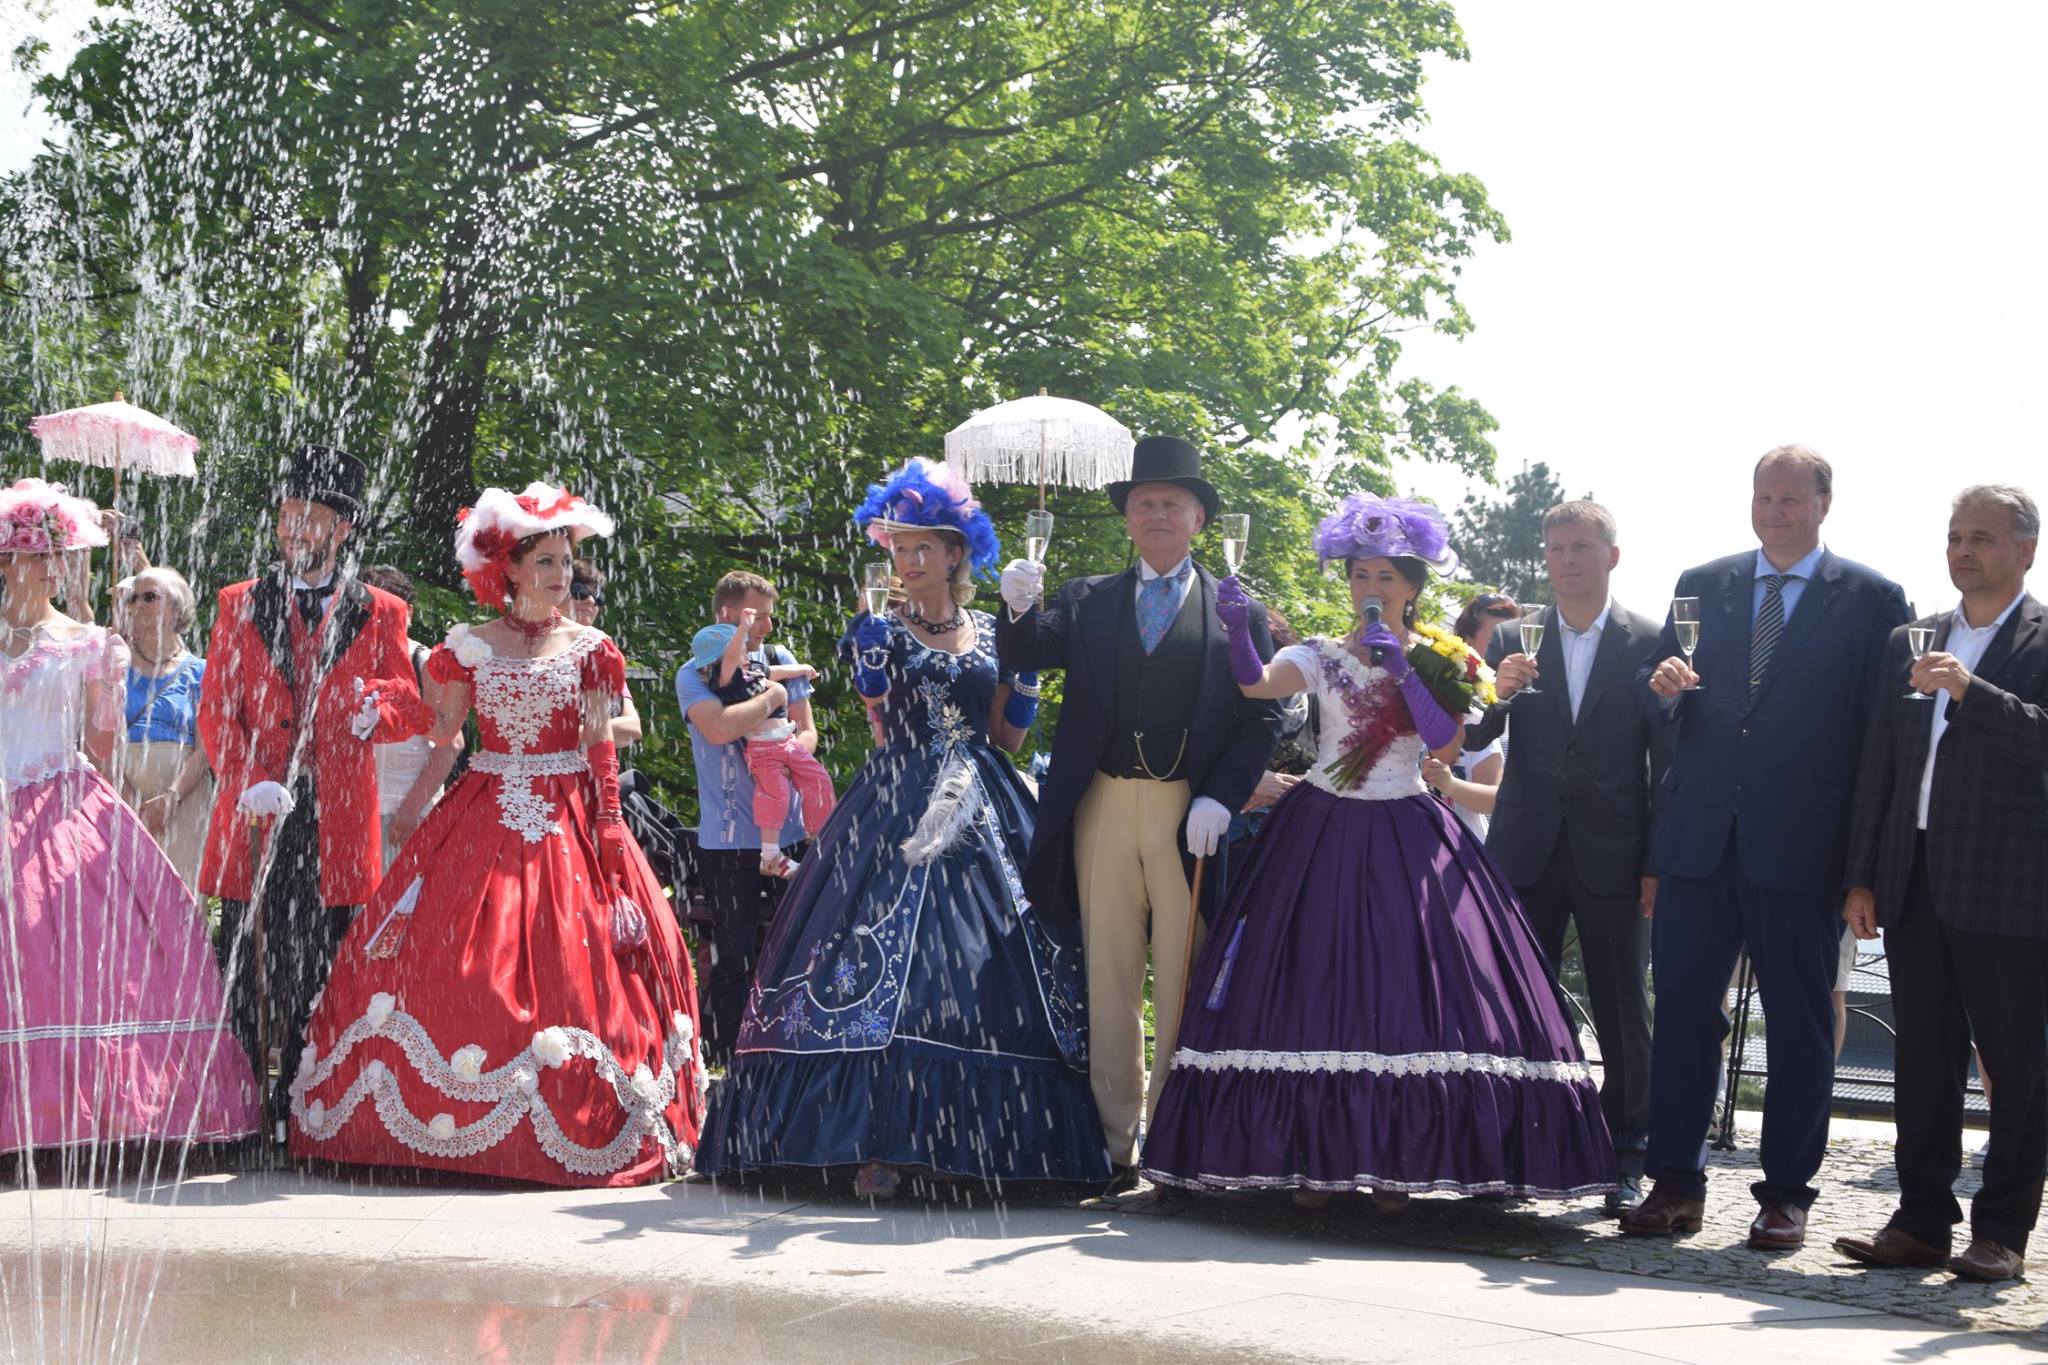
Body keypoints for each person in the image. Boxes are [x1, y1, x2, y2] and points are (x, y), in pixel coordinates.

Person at [1142, 494, 1615, 1205]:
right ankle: (1309, 1159)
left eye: (1387, 578)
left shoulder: (1443, 660)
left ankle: (1400, 1162)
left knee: (1404, 984)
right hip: (1321, 829)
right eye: (1361, 575)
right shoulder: (1324, 654)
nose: (1372, 588)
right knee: (1307, 980)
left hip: (1407, 828)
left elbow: (1447, 744)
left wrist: (1403, 669)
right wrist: (1238, 628)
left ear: (1414, 586)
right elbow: (1255, 682)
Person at [696, 459, 1108, 1193]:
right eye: (900, 547)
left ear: (958, 553)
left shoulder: (992, 630)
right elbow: (884, 731)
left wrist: (1026, 669)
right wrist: (872, 670)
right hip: (899, 798)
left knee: (981, 958)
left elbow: (1007, 740)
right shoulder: (879, 631)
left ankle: (984, 1145)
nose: (910, 562)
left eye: (925, 548)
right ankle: (869, 1139)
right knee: (878, 955)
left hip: (984, 801)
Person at [289, 483, 704, 1185]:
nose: (560, 574)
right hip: (482, 808)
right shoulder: (470, 647)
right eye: (545, 560)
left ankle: (584, 1120)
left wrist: (607, 824)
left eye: (565, 561)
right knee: (456, 957)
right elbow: (441, 729)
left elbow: (602, 744)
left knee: (579, 964)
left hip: (569, 812)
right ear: (508, 568)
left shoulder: (592, 648)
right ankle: (427, 1126)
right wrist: (379, 701)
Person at [1622, 446, 1909, 1249]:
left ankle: (1786, 1195)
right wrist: (1666, 684)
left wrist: (1863, 868)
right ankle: (1673, 1183)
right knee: (1680, 1015)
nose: (1774, 511)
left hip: (1804, 851)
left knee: (1798, 1026)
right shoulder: (1702, 581)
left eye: (1790, 499)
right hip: (1697, 844)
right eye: (1763, 497)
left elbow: (1881, 736)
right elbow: (1658, 687)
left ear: (1823, 504)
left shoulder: (1871, 596)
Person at [995, 436, 1283, 1186]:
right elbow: (1027, 653)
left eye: (1172, 504)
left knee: (1186, 978)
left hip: (1190, 812)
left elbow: (1264, 719)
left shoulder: (1236, 607)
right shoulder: (1088, 598)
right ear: (1128, 518)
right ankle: (1113, 1143)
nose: (1156, 514)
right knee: (1110, 975)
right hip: (1102, 804)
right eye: (1143, 503)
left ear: (1197, 518)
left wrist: (1221, 795)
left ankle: (1177, 1143)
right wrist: (1016, 603)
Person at [1, 478, 258, 1154]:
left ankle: (90, 1116)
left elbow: (102, 742)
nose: (34, 565)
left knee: (73, 946)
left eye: (42, 553)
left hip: (61, 804)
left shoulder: (90, 643)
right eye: (23, 553)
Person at [1833, 485, 2048, 1283]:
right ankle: (1921, 1220)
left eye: (1984, 537)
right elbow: (1878, 767)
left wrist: (1971, 691)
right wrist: (1861, 875)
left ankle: (2001, 1232)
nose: (1964, 550)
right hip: (1913, 879)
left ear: (2026, 549)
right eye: (1956, 536)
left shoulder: (2042, 637)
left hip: (2008, 886)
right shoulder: (1908, 640)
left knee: (2016, 1066)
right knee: (1921, 1060)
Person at [197, 445, 430, 1139]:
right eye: (287, 515)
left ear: (341, 528)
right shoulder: (238, 603)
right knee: (247, 962)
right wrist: (250, 782)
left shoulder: (381, 610)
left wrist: (377, 711)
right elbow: (216, 708)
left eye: (311, 517)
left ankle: (312, 1112)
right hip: (258, 812)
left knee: (324, 969)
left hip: (339, 821)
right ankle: (241, 1110)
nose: (294, 529)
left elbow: (410, 704)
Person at [1463, 503, 1667, 1216]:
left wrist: (1657, 859)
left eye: (1581, 546)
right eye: (1556, 548)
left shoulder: (1651, 638)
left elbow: (1666, 755)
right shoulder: (1516, 636)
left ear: (1612, 555)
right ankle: (1518, 1151)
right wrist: (1500, 689)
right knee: (1517, 1006)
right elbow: (1474, 729)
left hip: (1616, 848)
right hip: (1526, 846)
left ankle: (1626, 1156)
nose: (1567, 559)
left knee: (1622, 1010)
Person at [675, 570, 818, 1068]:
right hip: (728, 839)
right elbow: (718, 729)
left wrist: (781, 760)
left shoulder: (781, 661)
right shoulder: (695, 672)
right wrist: (774, 700)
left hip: (790, 832)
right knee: (733, 953)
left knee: (799, 945)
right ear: (727, 615)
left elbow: (808, 734)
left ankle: (793, 1051)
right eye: (758, 613)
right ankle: (735, 1057)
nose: (769, 624)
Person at [682, 617, 832, 877]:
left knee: (818, 778)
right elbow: (730, 659)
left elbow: (775, 673)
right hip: (763, 750)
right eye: (739, 650)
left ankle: (818, 831)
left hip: (786, 741)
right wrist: (742, 628)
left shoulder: (753, 669)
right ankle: (771, 856)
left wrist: (802, 669)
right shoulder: (725, 679)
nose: (745, 653)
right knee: (776, 795)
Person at [113, 565, 214, 889]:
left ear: (175, 608)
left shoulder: (201, 671)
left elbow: (207, 746)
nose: (136, 605)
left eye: (149, 597)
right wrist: (128, 800)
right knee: (124, 904)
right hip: (120, 797)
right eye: (133, 598)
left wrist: (171, 799)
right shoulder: (114, 667)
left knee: (181, 898)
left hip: (184, 802)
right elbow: (99, 742)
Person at [357, 565, 464, 869]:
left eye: (388, 609)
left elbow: (450, 744)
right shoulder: (347, 660)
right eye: (369, 609)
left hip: (408, 810)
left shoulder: (424, 662)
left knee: (405, 907)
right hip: (358, 809)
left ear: (409, 613)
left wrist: (410, 809)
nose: (377, 618)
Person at [1425, 591, 1518, 840]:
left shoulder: (1524, 702)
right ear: (1466, 643)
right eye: (1497, 639)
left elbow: (1493, 799)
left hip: (1468, 847)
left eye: (1514, 639)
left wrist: (1450, 785)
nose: (1508, 650)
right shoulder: (1445, 700)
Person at [570, 558, 643, 746]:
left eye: (598, 596)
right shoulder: (532, 651)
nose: (591, 601)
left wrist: (564, 738)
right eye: (579, 592)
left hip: (592, 770)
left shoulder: (601, 657)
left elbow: (632, 728)